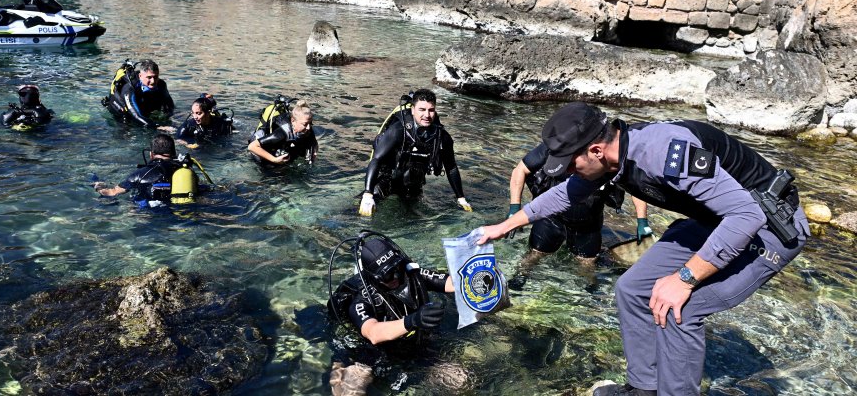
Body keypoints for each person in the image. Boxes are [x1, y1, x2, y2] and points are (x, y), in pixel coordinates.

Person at [478, 102, 809, 396]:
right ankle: (643, 388)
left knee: (680, 308)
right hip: (718, 219)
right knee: (631, 288)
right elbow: (567, 193)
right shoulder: (612, 156)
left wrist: (684, 279)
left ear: (595, 150)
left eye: (571, 164)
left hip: (768, 227)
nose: (568, 172)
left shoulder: (664, 153)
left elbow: (746, 215)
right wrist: (506, 224)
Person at [506, 142, 651, 288]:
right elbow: (520, 170)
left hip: (588, 223)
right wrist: (514, 208)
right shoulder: (556, 145)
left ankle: (588, 296)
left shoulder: (609, 155)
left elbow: (635, 187)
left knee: (587, 264)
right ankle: (520, 276)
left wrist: (642, 221)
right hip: (551, 217)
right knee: (535, 254)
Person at [326, 232, 454, 393]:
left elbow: (453, 282)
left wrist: (480, 279)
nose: (394, 276)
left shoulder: (410, 274)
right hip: (368, 352)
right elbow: (372, 332)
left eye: (397, 269)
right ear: (372, 277)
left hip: (412, 345)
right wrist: (412, 320)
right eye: (386, 275)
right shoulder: (360, 298)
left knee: (459, 380)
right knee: (349, 389)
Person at [358, 89, 471, 216]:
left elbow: (451, 168)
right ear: (413, 110)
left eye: (431, 110)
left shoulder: (441, 136)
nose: (427, 115)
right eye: (422, 110)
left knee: (414, 220)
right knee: (360, 213)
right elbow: (376, 159)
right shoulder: (398, 130)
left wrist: (461, 198)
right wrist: (368, 194)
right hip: (386, 179)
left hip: (413, 184)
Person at [94, 134, 189, 207]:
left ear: (151, 154)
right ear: (174, 153)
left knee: (132, 207)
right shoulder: (185, 171)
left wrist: (99, 187)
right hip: (180, 209)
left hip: (150, 213)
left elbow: (112, 193)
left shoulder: (140, 174)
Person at [103, 59, 175, 128]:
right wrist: (158, 126)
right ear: (140, 76)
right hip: (120, 106)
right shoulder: (129, 89)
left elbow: (170, 106)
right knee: (126, 121)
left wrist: (168, 118)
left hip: (140, 99)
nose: (153, 81)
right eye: (149, 77)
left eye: (155, 77)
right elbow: (136, 116)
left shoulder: (161, 84)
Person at [247, 98, 317, 166]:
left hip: (283, 147)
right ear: (293, 121)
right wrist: (274, 159)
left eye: (310, 123)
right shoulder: (281, 133)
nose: (308, 127)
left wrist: (314, 151)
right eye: (305, 124)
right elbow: (252, 147)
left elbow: (314, 143)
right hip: (262, 150)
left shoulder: (307, 129)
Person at [159, 93, 233, 148]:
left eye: (198, 113)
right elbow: (177, 138)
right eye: (193, 113)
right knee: (173, 129)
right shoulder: (189, 125)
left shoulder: (221, 123)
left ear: (208, 113)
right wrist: (188, 144)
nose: (195, 117)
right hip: (197, 144)